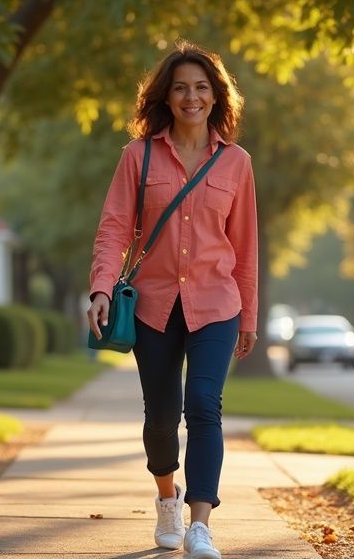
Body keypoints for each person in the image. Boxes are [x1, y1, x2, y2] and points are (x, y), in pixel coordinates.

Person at [87, 41, 258, 559]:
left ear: (216, 97)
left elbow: (246, 245)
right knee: (161, 417)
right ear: (167, 95)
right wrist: (100, 287)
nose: (192, 96)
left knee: (204, 406)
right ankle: (168, 497)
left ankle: (200, 523)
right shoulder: (136, 156)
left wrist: (249, 314)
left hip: (216, 304)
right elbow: (114, 227)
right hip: (154, 305)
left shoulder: (236, 164)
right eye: (181, 87)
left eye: (202, 87)